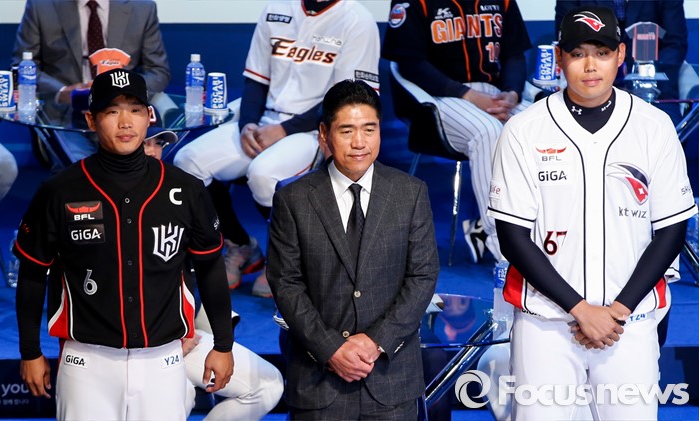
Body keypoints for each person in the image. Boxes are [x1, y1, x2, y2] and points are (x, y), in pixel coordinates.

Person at [488, 6, 697, 420]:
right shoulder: (524, 130)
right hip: (546, 321)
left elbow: (671, 230)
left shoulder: (654, 126)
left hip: (630, 321)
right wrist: (581, 311)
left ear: (621, 55)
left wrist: (617, 312)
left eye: (601, 53)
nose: (589, 66)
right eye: (578, 53)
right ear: (560, 57)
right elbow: (513, 237)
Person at [13, 68, 233, 420]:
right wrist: (30, 351)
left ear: (149, 116)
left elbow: (210, 268)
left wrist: (223, 344)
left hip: (163, 360)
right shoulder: (59, 191)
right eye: (112, 110)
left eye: (135, 109)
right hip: (86, 361)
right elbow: (32, 274)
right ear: (91, 120)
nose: (125, 122)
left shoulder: (187, 189)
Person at [173, 0, 380, 296]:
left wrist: (283, 130)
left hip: (316, 129)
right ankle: (240, 244)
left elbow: (348, 99)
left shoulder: (356, 19)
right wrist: (248, 125)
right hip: (265, 119)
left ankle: (287, 260)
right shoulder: (276, 9)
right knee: (188, 161)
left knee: (263, 173)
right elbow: (256, 79)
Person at [266, 79, 440, 419]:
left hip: (391, 380)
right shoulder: (293, 199)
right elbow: (286, 284)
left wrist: (375, 342)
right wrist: (331, 349)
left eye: (369, 129)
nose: (359, 142)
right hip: (319, 383)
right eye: (346, 131)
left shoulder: (410, 193)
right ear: (324, 134)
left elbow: (423, 276)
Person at [143, 127, 285, 421]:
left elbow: (202, 272)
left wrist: (219, 341)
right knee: (180, 393)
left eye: (158, 143)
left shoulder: (181, 194)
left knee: (265, 379)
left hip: (179, 320)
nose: (153, 151)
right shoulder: (99, 202)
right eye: (145, 143)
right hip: (139, 340)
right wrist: (175, 333)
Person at [382, 0, 532, 264]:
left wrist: (512, 93)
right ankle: (504, 250)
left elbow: (514, 55)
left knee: (542, 129)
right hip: (439, 98)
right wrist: (468, 95)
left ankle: (542, 236)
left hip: (496, 95)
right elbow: (410, 64)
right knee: (488, 133)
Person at [555, 0, 688, 125]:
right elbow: (567, 43)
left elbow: (675, 44)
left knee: (667, 125)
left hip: (654, 90)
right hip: (591, 92)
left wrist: (645, 78)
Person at [12, 0, 170, 104]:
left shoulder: (142, 8)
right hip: (63, 113)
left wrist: (126, 91)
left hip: (123, 110)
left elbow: (157, 71)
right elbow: (21, 66)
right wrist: (61, 92)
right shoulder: (41, 6)